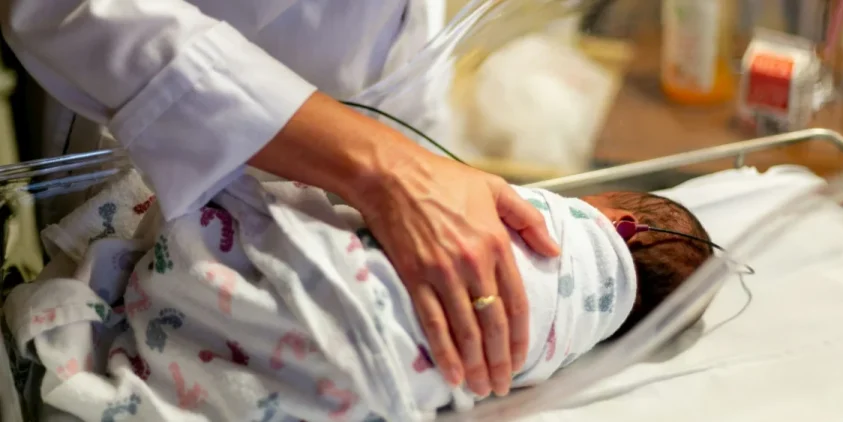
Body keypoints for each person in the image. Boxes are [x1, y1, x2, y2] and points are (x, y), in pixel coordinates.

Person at [0, 0, 562, 399]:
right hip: (167, 135)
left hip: (390, 141)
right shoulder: (564, 254)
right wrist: (384, 168)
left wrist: (414, 164)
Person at [4, 171, 713, 421]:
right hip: (370, 380)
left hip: (339, 292)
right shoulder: (569, 345)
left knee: (251, 211)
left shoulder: (564, 227)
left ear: (623, 221)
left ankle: (152, 299)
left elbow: (433, 212)